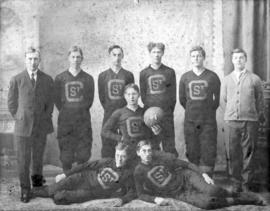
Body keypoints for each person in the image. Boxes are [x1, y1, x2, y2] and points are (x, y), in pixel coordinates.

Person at [134, 140, 265, 210]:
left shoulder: (161, 158)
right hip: (178, 193)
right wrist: (154, 199)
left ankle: (239, 195)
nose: (147, 153)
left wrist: (204, 174)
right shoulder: (139, 171)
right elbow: (140, 194)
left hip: (186, 177)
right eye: (144, 151)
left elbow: (186, 165)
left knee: (213, 190)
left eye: (149, 150)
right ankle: (244, 199)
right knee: (207, 204)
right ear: (138, 153)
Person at [7, 47, 54, 203]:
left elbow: (50, 103)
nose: (33, 62)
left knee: (38, 158)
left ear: (39, 60)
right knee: (23, 160)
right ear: (25, 60)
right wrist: (20, 117)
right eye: (30, 59)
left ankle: (38, 186)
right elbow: (12, 104)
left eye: (35, 59)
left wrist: (44, 118)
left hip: (40, 127)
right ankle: (25, 190)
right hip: (23, 128)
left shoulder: (47, 79)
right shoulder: (17, 79)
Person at [32, 142, 136, 206]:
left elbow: (133, 191)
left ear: (128, 157)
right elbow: (85, 165)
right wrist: (66, 175)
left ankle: (56, 192)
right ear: (115, 153)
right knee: (51, 190)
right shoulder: (107, 161)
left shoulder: (127, 173)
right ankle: (32, 192)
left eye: (123, 156)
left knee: (59, 197)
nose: (119, 159)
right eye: (117, 155)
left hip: (91, 192)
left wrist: (122, 200)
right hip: (82, 178)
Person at [220, 48, 265, 192]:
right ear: (232, 60)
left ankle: (246, 185)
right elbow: (223, 100)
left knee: (249, 153)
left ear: (245, 60)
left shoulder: (254, 79)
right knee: (233, 153)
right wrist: (231, 114)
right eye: (235, 58)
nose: (238, 60)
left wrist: (254, 115)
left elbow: (260, 101)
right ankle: (235, 183)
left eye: (241, 58)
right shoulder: (226, 80)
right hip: (231, 121)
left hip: (250, 121)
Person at [179, 46, 221, 177]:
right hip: (190, 121)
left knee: (208, 150)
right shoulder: (185, 77)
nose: (196, 58)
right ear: (190, 58)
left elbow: (217, 99)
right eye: (193, 56)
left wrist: (206, 111)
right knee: (192, 150)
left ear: (203, 58)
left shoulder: (212, 76)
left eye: (198, 56)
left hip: (208, 121)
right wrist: (193, 110)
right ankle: (195, 179)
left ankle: (208, 180)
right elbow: (182, 99)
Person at [54, 46, 94, 174]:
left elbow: (89, 100)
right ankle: (67, 179)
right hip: (66, 121)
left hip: (83, 121)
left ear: (82, 59)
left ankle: (81, 180)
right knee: (66, 153)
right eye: (73, 57)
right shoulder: (60, 78)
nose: (75, 60)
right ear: (68, 58)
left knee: (83, 153)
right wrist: (68, 111)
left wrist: (78, 111)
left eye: (78, 57)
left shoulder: (88, 78)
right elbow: (57, 100)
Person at [101, 83, 161, 159]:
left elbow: (154, 136)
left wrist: (157, 133)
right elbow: (104, 131)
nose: (131, 97)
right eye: (128, 94)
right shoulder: (119, 113)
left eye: (134, 94)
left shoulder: (146, 112)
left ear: (139, 95)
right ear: (124, 96)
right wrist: (120, 138)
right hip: (128, 150)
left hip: (144, 151)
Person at [139, 42, 178, 157]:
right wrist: (150, 113)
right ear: (150, 54)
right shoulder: (144, 73)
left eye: (159, 52)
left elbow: (173, 96)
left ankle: (170, 171)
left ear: (162, 53)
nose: (156, 55)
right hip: (150, 115)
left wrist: (167, 112)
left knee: (169, 145)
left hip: (166, 114)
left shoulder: (169, 72)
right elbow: (143, 95)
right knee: (152, 144)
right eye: (154, 52)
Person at [98, 45, 134, 158]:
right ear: (110, 56)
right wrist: (111, 109)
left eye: (119, 55)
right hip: (109, 114)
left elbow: (131, 94)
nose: (117, 58)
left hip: (125, 114)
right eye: (114, 55)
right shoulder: (103, 76)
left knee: (126, 142)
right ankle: (108, 171)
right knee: (107, 142)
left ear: (122, 56)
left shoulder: (128, 75)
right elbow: (102, 97)